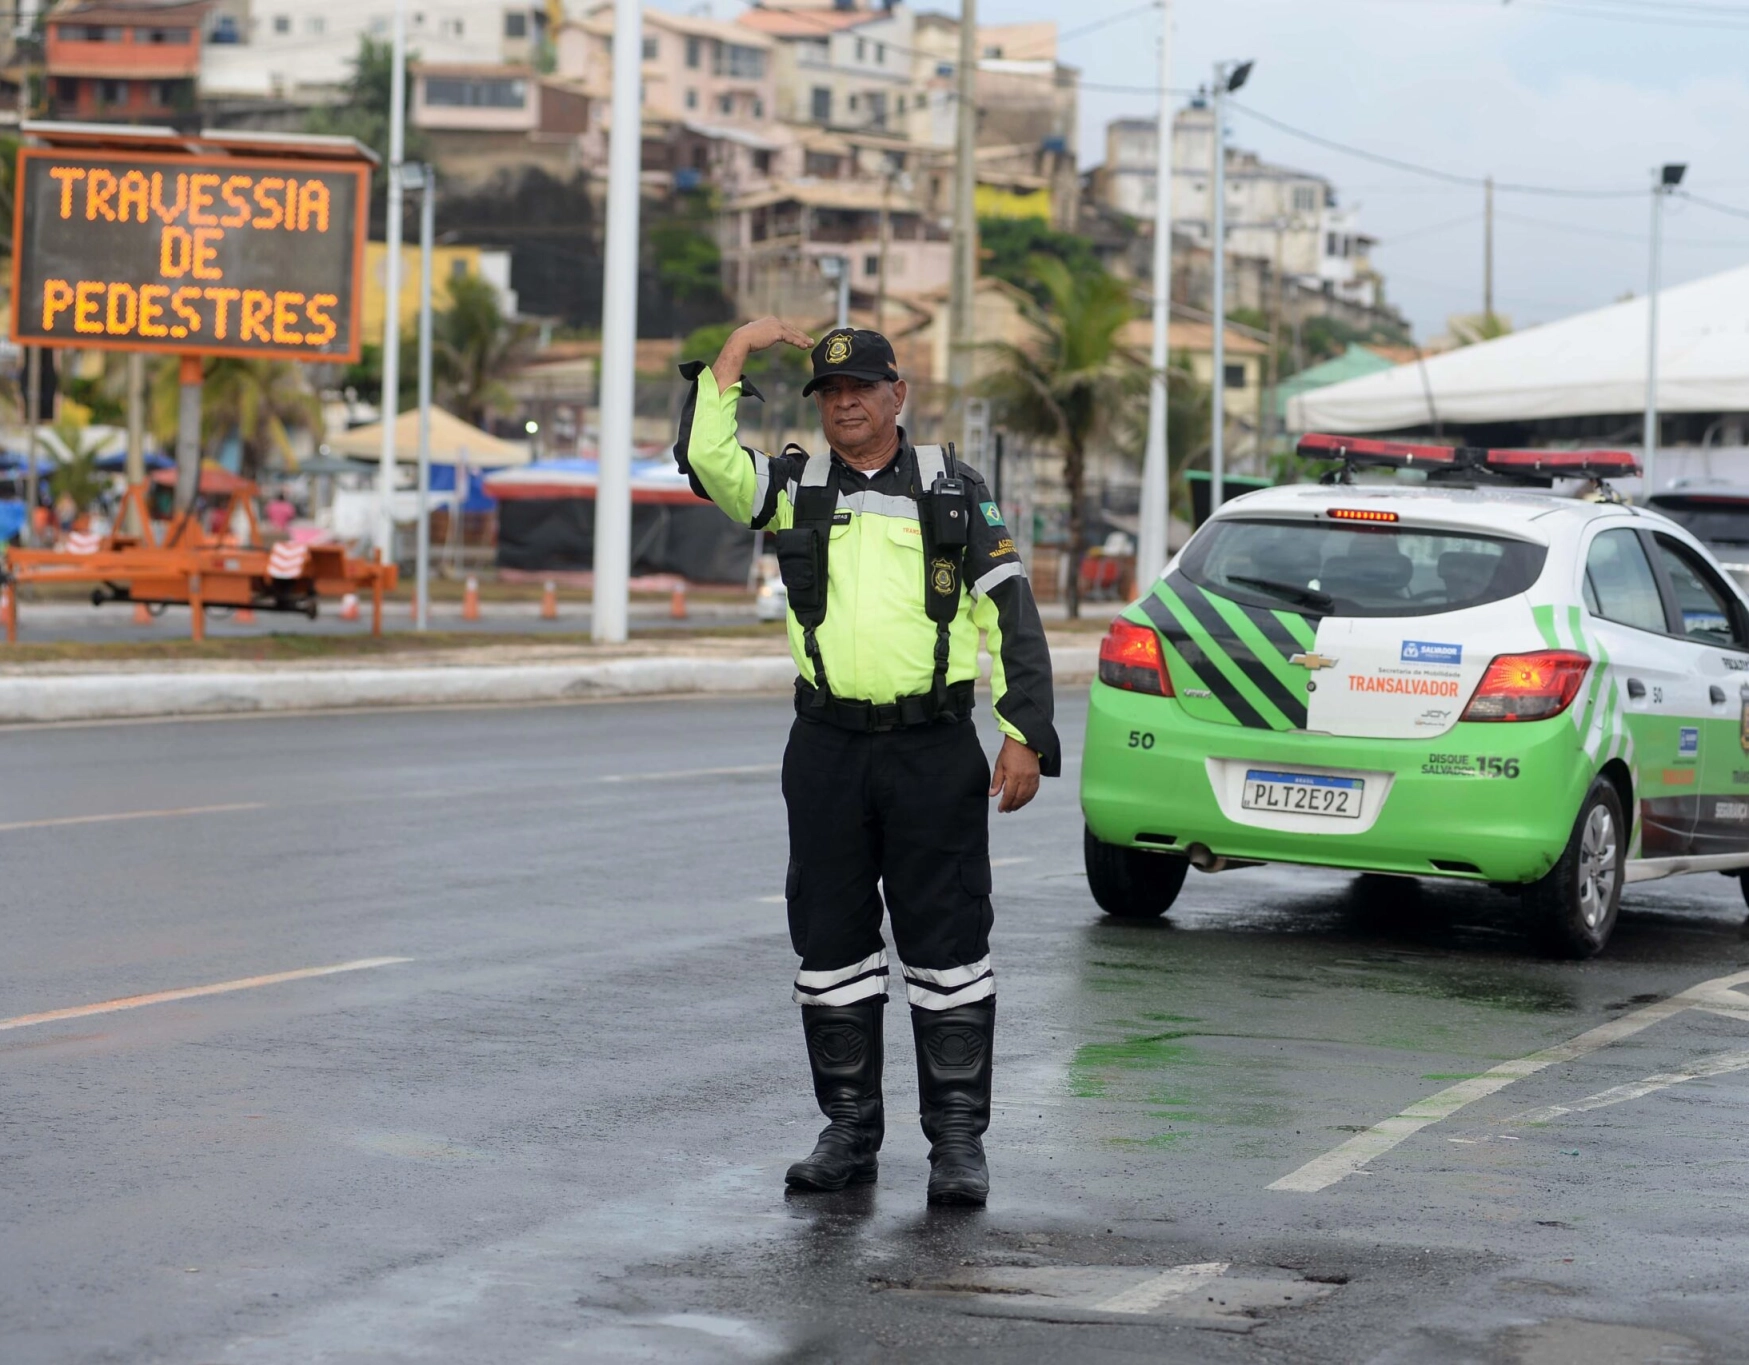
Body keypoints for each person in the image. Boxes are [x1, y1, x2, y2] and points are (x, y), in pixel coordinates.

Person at [674, 318, 1060, 1206]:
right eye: (830, 393)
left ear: (898, 395)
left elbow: (1012, 615)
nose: (845, 403)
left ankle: (957, 1144)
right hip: (825, 750)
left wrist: (1021, 732)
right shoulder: (793, 486)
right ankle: (848, 1132)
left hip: (932, 751)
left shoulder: (951, 491)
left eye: (861, 388)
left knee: (948, 944)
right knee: (831, 944)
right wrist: (735, 350)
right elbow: (708, 463)